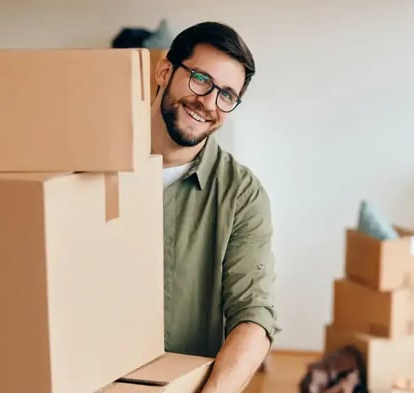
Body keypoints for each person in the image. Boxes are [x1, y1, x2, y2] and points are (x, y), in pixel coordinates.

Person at [149, 21, 279, 393]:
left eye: (226, 94)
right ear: (165, 70)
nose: (208, 102)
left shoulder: (242, 195)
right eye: (201, 79)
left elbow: (253, 314)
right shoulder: (89, 164)